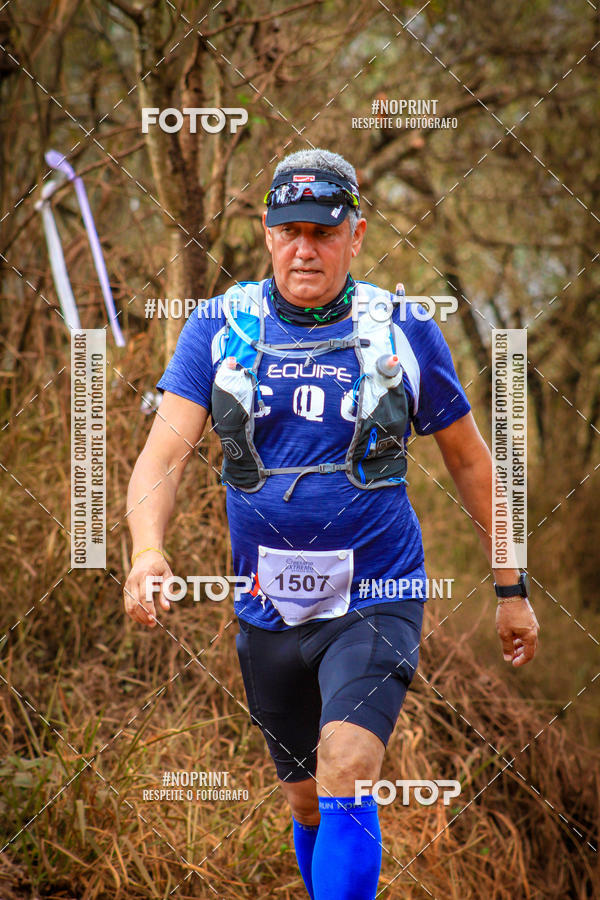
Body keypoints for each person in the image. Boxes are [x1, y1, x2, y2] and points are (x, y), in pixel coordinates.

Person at [123, 148, 539, 899]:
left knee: (347, 767)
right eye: (290, 231)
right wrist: (147, 549)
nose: (305, 248)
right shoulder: (219, 327)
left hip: (376, 596)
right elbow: (163, 455)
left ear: (357, 234)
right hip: (268, 608)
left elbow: (474, 464)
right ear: (267, 233)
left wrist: (511, 586)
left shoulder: (404, 328)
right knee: (308, 797)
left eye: (323, 230)